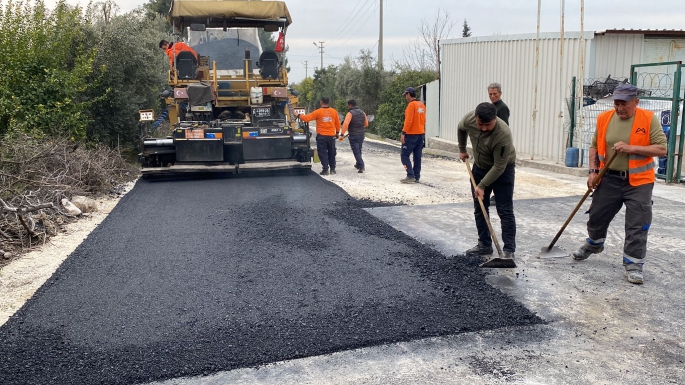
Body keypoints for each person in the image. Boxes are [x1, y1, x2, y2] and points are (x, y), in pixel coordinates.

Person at [572, 84, 667, 284]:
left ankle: (633, 264)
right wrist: (593, 172)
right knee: (597, 215)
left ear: (636, 102)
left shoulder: (648, 119)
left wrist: (630, 147)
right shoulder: (604, 118)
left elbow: (661, 149)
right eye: (617, 103)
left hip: (639, 182)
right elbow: (594, 146)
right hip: (609, 178)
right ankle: (595, 243)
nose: (619, 107)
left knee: (637, 224)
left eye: (624, 103)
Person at [458, 102, 517, 260]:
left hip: (503, 170)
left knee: (504, 209)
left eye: (487, 125)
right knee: (480, 207)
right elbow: (461, 127)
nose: (483, 128)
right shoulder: (469, 119)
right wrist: (462, 149)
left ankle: (509, 250)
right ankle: (484, 245)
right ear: (475, 118)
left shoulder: (503, 134)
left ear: (495, 119)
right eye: (480, 124)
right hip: (480, 166)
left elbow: (499, 166)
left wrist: (482, 185)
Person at [298, 97, 341, 175]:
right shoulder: (334, 112)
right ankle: (333, 169)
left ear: (321, 102)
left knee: (322, 152)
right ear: (329, 102)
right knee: (332, 152)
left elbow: (307, 118)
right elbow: (337, 123)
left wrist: (298, 115)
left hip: (322, 136)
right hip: (331, 136)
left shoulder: (318, 112)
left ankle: (325, 169)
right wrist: (337, 133)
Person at [400, 87, 427, 184]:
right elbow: (424, 120)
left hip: (411, 135)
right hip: (421, 134)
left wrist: (403, 133)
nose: (405, 98)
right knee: (417, 156)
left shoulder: (411, 105)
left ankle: (410, 175)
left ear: (408, 94)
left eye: (405, 95)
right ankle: (416, 176)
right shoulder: (422, 105)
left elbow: (408, 121)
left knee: (404, 155)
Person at [340, 100, 369, 173]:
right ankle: (358, 164)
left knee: (356, 151)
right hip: (361, 134)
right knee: (359, 149)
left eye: (348, 105)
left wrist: (342, 134)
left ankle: (361, 166)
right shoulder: (362, 112)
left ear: (350, 105)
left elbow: (345, 124)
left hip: (353, 135)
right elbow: (366, 124)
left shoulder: (350, 113)